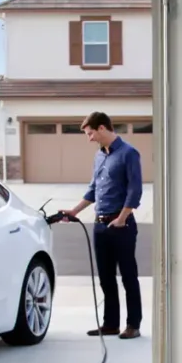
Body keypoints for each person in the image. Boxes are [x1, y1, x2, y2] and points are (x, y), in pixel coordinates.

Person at [61, 111, 143, 339]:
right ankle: (110, 324)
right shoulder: (99, 157)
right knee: (106, 278)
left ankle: (133, 325)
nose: (89, 139)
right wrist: (75, 211)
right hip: (100, 225)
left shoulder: (129, 153)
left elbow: (135, 190)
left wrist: (123, 218)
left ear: (102, 128)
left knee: (128, 276)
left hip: (122, 225)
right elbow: (93, 190)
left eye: (90, 134)